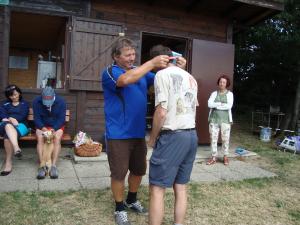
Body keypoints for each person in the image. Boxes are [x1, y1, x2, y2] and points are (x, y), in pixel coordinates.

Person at [101, 38, 186, 225]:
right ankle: (119, 208)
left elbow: (164, 80)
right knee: (118, 173)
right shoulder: (110, 72)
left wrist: (177, 67)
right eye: (127, 55)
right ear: (116, 57)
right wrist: (151, 63)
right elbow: (125, 80)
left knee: (139, 170)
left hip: (138, 133)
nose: (132, 58)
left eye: (133, 54)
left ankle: (131, 199)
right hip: (118, 134)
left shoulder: (141, 72)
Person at [147, 45, 198, 225]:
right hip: (191, 135)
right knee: (181, 187)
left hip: (173, 136)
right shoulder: (191, 77)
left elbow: (161, 112)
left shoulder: (161, 75)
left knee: (157, 188)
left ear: (158, 61)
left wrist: (152, 139)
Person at [32, 86, 66, 179]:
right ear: (42, 96)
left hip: (56, 126)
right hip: (42, 125)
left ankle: (53, 166)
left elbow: (61, 119)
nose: (47, 105)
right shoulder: (36, 101)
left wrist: (53, 130)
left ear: (53, 96)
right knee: (40, 138)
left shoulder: (61, 101)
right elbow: (37, 119)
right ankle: (42, 166)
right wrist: (44, 129)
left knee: (57, 138)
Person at [0, 85, 29, 176]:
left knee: (7, 137)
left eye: (15, 94)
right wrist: (12, 119)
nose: (14, 97)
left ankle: (8, 163)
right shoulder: (4, 104)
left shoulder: (24, 104)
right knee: (8, 125)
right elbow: (3, 117)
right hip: (5, 125)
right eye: (11, 95)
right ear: (8, 96)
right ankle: (16, 148)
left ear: (19, 93)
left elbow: (22, 116)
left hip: (21, 126)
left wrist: (10, 118)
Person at [206, 75, 234, 166]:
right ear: (218, 83)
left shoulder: (230, 94)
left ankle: (225, 156)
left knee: (225, 139)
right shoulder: (214, 93)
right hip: (214, 119)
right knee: (213, 139)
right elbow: (209, 104)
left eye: (224, 82)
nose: (222, 84)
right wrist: (220, 104)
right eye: (220, 82)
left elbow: (229, 106)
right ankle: (214, 157)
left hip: (225, 120)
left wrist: (216, 105)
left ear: (226, 84)